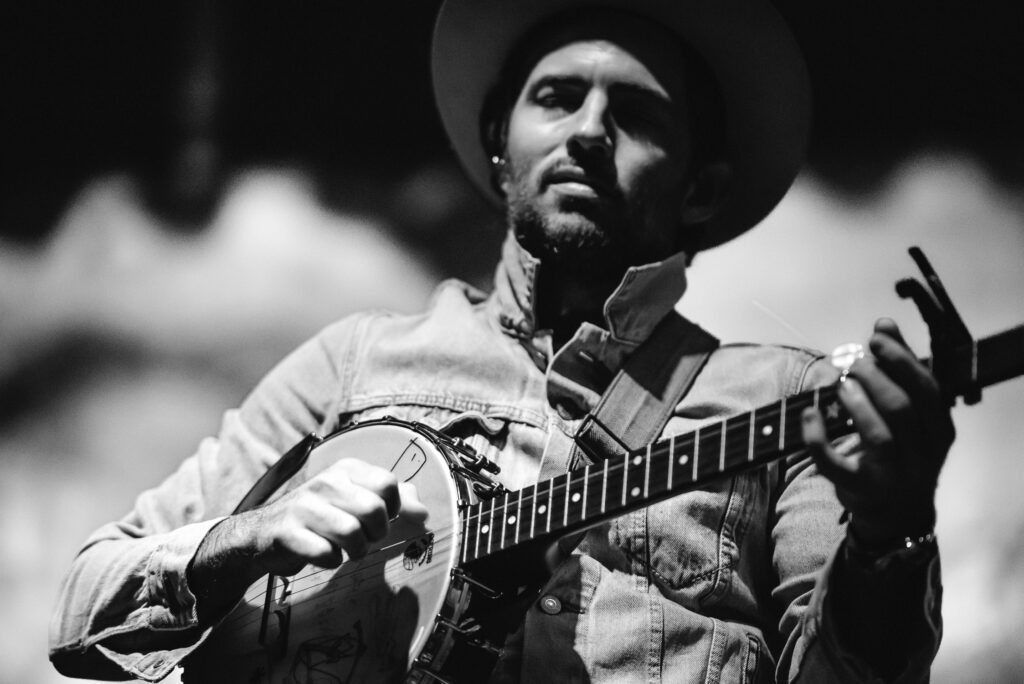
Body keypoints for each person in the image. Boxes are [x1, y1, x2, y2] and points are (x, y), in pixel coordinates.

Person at [50, 0, 950, 681]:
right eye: (557, 98)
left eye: (638, 115)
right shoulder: (355, 362)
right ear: (498, 145)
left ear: (702, 187)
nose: (589, 132)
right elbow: (86, 608)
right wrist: (249, 537)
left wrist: (889, 535)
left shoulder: (787, 403)